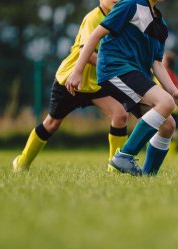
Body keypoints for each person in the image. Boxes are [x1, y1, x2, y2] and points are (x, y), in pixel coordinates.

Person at [66, 0, 178, 176]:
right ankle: (124, 156)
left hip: (135, 73)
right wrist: (77, 70)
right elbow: (95, 35)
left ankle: (148, 176)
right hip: (114, 68)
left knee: (168, 125)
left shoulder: (161, 25)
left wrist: (174, 92)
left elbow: (156, 63)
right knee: (165, 103)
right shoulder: (130, 4)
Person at [12, 0, 129, 172]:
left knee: (120, 115)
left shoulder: (121, 19)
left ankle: (115, 169)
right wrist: (117, 66)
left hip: (96, 84)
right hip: (71, 80)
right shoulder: (93, 18)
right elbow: (86, 53)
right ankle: (22, 163)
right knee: (51, 124)